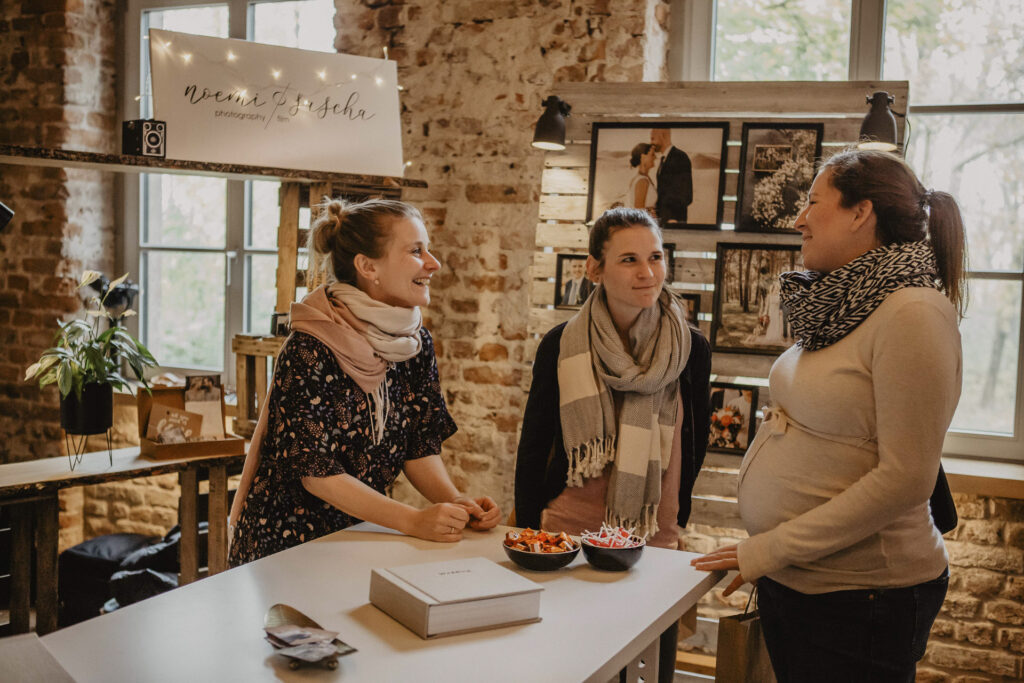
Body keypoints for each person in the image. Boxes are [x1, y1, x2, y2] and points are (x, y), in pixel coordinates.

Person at [692, 149, 967, 682]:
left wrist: (769, 548)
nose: (798, 219)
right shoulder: (846, 302)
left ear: (860, 212)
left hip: (863, 596)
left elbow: (907, 478)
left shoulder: (912, 312)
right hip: (803, 583)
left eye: (813, 202)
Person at [228, 198, 501, 566]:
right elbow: (317, 474)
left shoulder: (414, 345)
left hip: (361, 536)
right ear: (367, 266)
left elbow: (418, 445)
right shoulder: (310, 347)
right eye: (416, 251)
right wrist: (412, 519)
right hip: (287, 545)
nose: (433, 263)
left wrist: (452, 500)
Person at [515, 207, 712, 683]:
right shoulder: (561, 343)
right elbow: (535, 442)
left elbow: (696, 440)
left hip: (651, 536)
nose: (648, 273)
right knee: (561, 662)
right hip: (567, 530)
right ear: (595, 269)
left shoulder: (691, 348)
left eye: (656, 257)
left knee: (648, 669)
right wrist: (528, 532)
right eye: (628, 260)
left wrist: (675, 517)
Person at [651, 128, 693, 226]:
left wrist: (673, 219)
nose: (651, 143)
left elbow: (685, 194)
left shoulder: (679, 157)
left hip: (673, 221)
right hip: (663, 221)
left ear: (663, 136)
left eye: (653, 139)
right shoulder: (664, 159)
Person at [627, 142, 657, 212]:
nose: (655, 157)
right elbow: (639, 211)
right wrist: (652, 211)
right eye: (652, 155)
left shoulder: (643, 177)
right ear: (643, 157)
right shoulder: (642, 181)